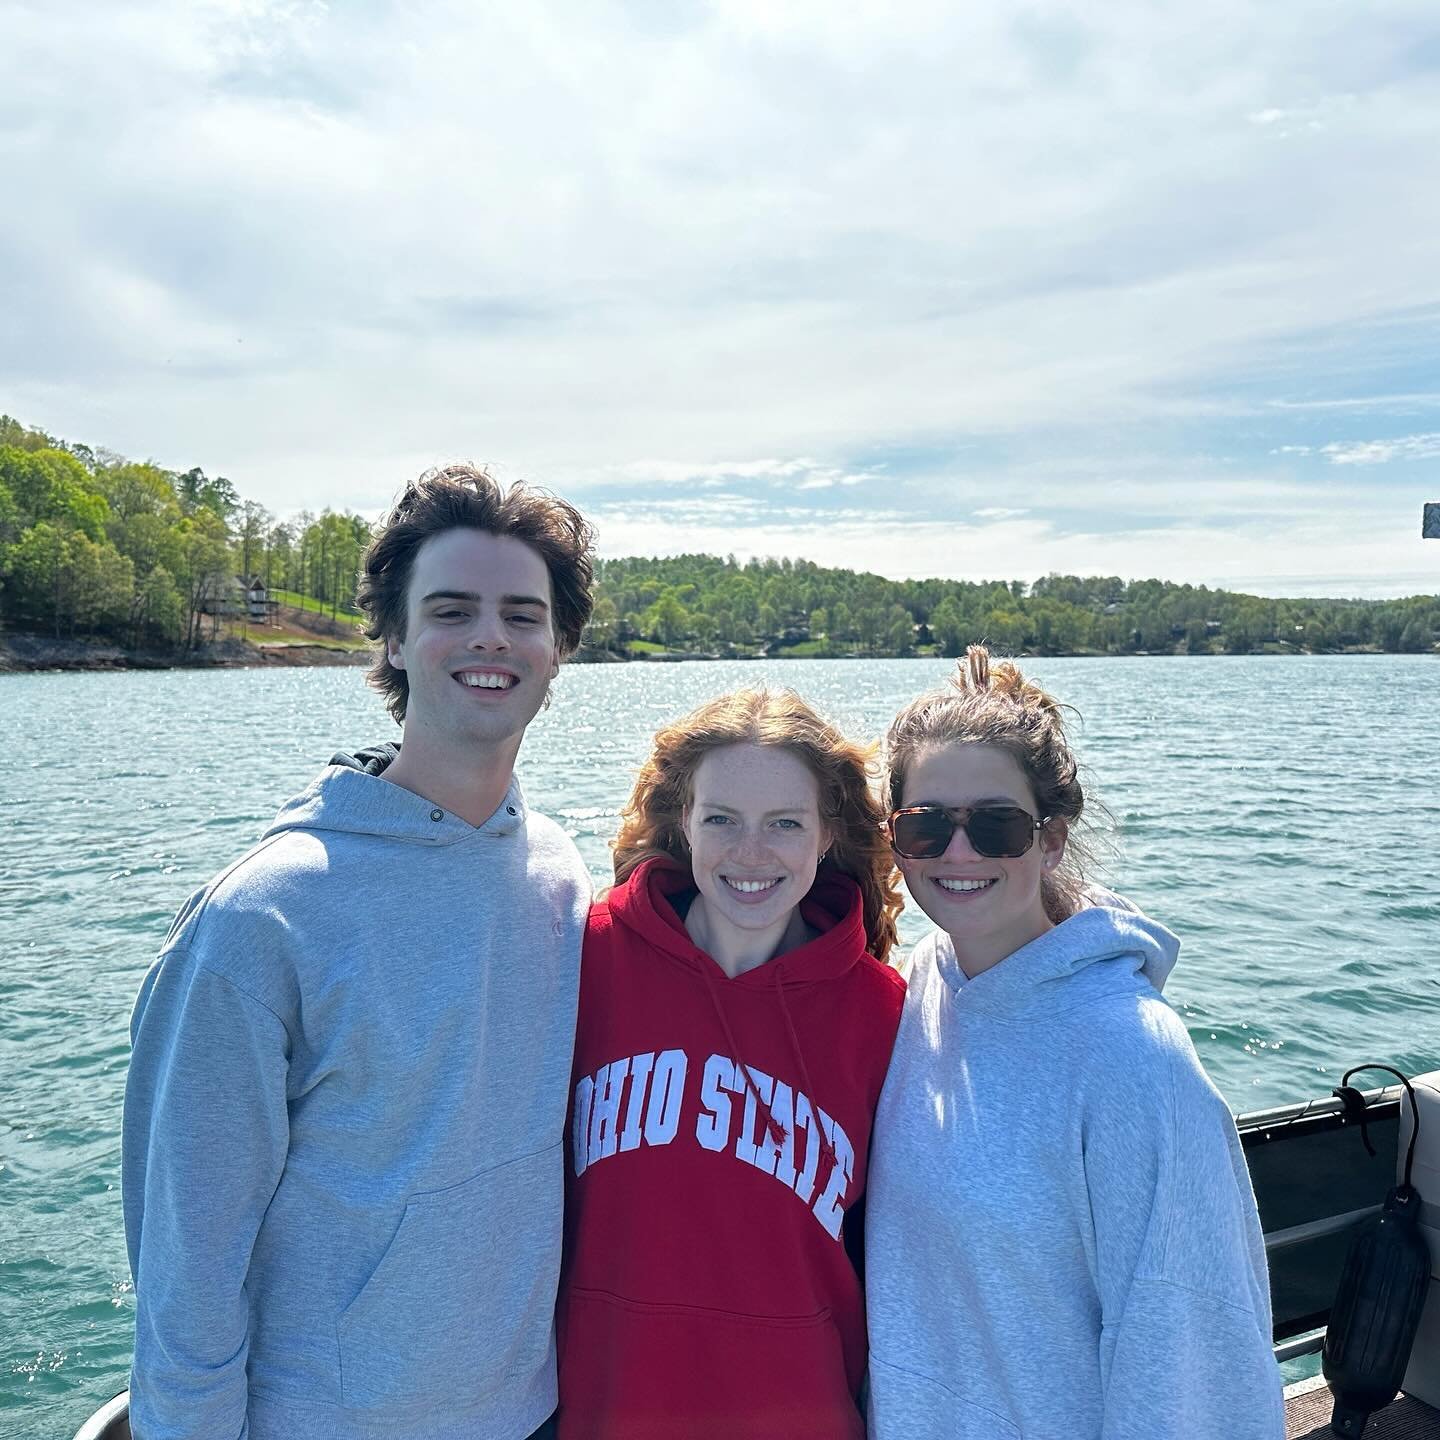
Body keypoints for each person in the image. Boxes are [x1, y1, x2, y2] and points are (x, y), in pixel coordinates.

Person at [122, 464, 596, 1440]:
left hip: (533, 1413)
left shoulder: (559, 873)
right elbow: (187, 1263)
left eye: (522, 614)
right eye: (451, 609)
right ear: (391, 637)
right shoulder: (263, 916)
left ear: (560, 649)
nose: (490, 639)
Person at [865, 646, 1285, 1440]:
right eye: (925, 826)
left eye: (997, 826)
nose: (960, 853)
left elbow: (1191, 1351)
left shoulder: (1133, 1057)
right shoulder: (925, 984)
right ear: (895, 839)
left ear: (1052, 839)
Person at [555, 689, 907, 1440]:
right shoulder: (581, 964)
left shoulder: (884, 1016)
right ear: (683, 823)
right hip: (601, 1412)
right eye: (722, 819)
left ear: (826, 835)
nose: (751, 853)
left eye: (785, 823)